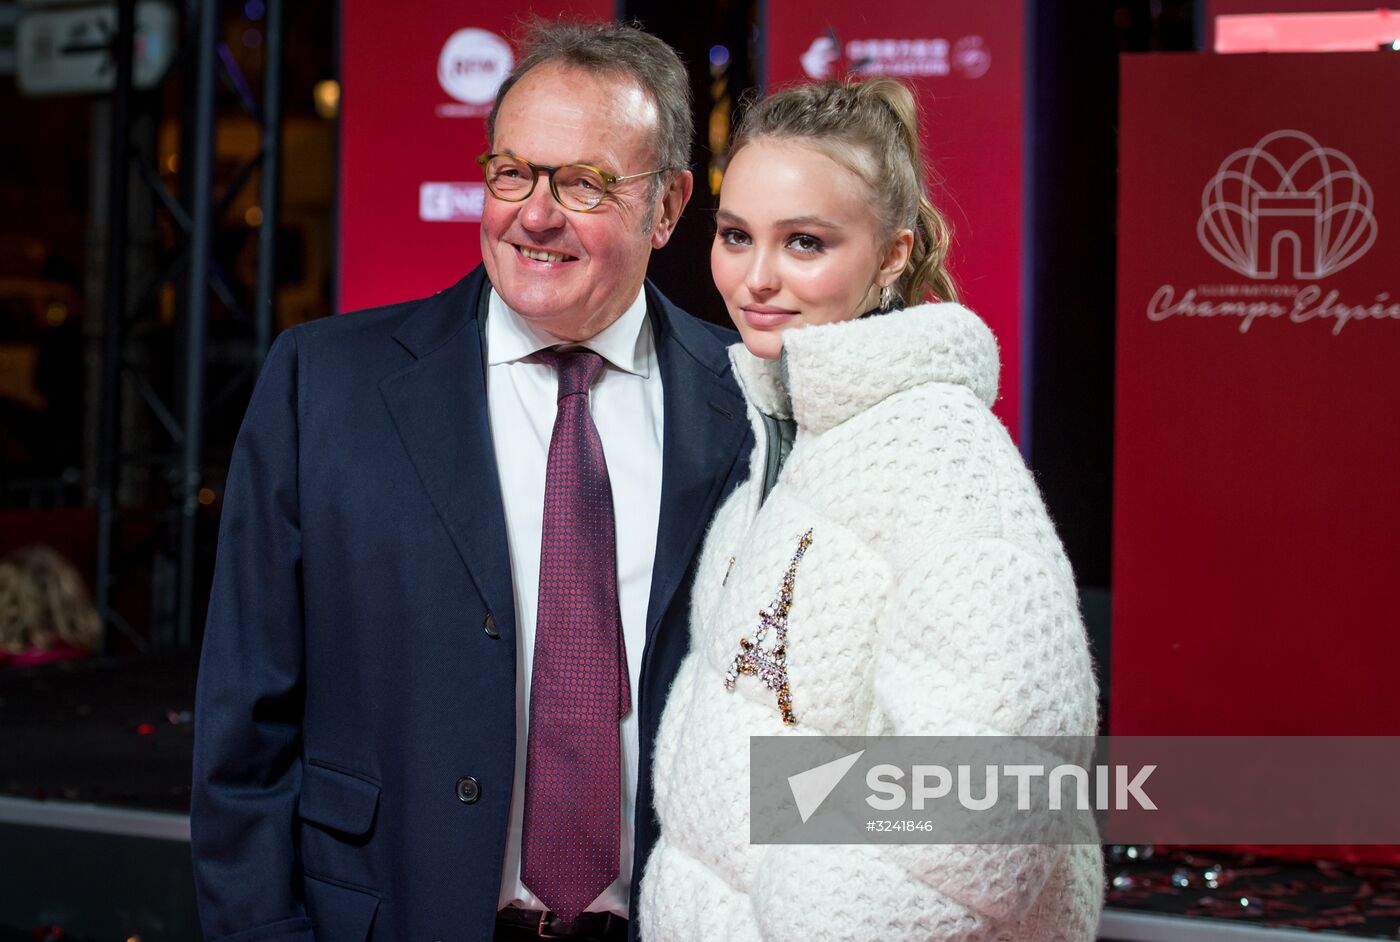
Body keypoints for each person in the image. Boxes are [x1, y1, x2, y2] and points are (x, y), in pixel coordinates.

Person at [190, 21, 751, 942]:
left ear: (668, 205)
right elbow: (241, 734)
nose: (535, 213)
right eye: (512, 173)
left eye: (583, 183)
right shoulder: (323, 386)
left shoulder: (755, 405)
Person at [639, 78, 1103, 939]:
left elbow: (991, 797)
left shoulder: (937, 458)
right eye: (736, 236)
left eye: (805, 243)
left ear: (892, 255)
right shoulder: (791, 441)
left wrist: (789, 920)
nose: (757, 277)